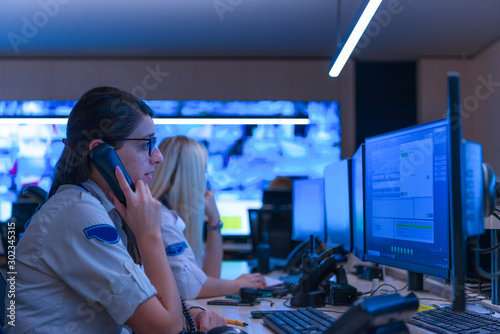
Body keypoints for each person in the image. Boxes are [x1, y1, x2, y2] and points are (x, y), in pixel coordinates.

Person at [6, 87, 225, 333]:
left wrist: (189, 313)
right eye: (146, 144)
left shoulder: (104, 210)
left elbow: (148, 303)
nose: (158, 157)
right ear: (101, 153)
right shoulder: (78, 214)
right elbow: (164, 330)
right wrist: (149, 234)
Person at [149, 135, 267, 299]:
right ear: (193, 176)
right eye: (203, 171)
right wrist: (238, 285)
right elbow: (193, 288)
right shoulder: (163, 221)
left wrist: (214, 222)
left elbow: (209, 277)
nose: (205, 180)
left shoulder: (170, 216)